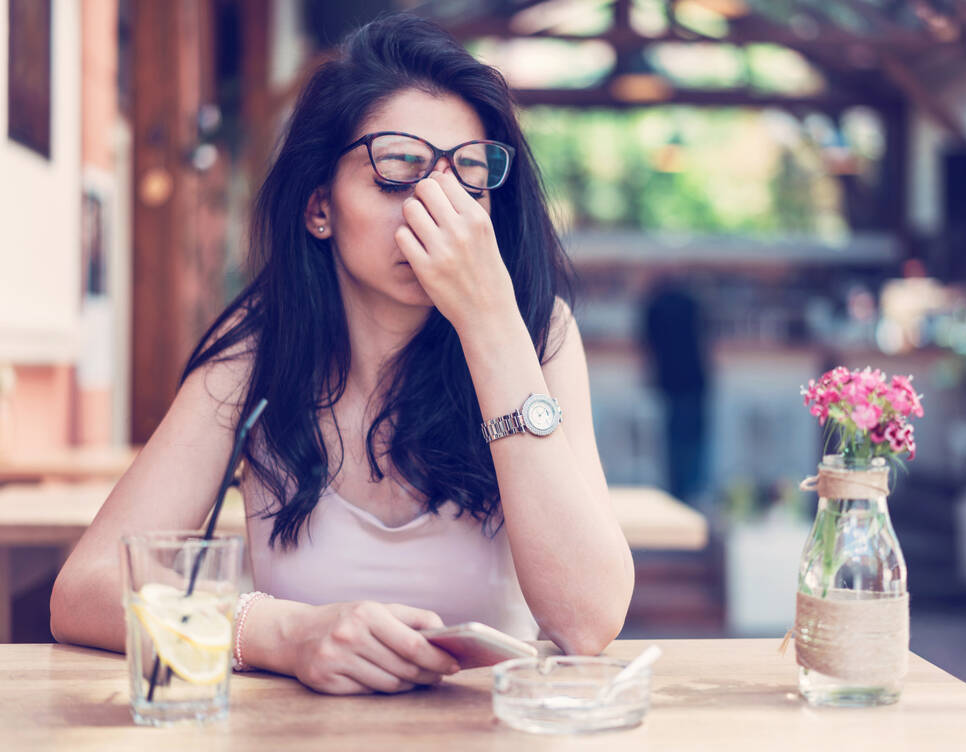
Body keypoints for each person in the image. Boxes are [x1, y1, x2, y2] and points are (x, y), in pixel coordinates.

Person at [50, 14, 634, 695]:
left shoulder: (536, 334)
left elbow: (588, 624)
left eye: (469, 178)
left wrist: (490, 322)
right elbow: (84, 592)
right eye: (399, 170)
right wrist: (283, 634)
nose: (436, 208)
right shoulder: (261, 349)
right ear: (319, 206)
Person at [642, 275, 711, 507]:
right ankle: (695, 495)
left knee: (675, 444)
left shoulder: (653, 307)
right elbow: (707, 337)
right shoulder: (692, 303)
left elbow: (646, 346)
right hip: (695, 379)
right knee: (696, 442)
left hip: (669, 382)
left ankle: (677, 496)